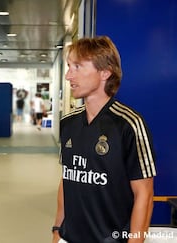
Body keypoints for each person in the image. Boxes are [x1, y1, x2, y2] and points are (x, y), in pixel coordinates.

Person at [52, 36, 156, 243]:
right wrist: (57, 230)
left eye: (77, 67)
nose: (68, 76)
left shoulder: (129, 124)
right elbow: (67, 180)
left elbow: (144, 194)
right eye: (69, 67)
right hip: (70, 237)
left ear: (105, 72)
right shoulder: (68, 122)